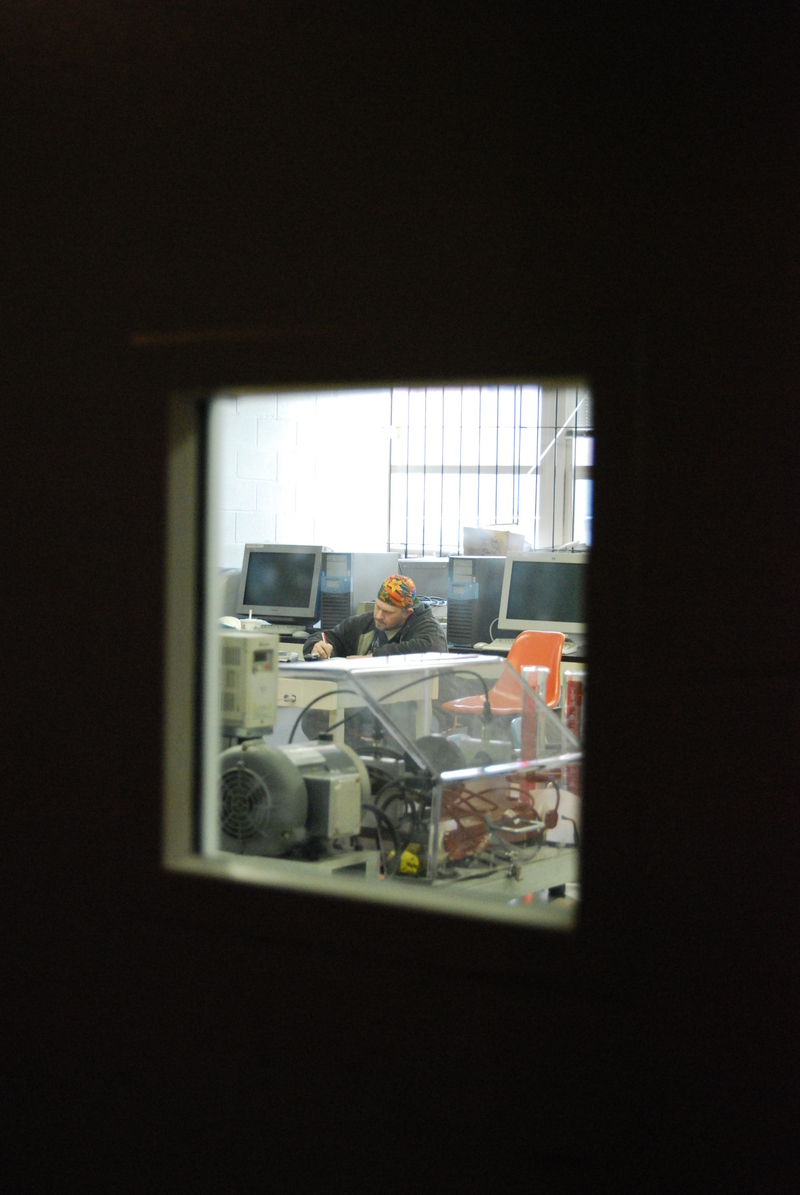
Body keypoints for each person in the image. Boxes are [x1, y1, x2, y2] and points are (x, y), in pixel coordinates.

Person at [303, 574, 447, 660]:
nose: (378, 616)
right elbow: (326, 637)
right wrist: (315, 647)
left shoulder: (428, 628)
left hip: (417, 706)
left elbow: (428, 650)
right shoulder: (364, 624)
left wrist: (373, 659)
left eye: (387, 612)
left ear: (407, 613)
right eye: (377, 607)